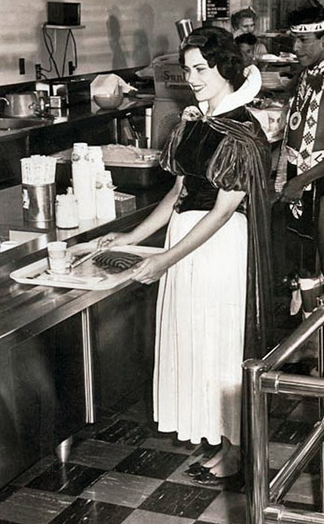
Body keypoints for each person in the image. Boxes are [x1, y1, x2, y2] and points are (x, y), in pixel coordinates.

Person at [98, 26, 273, 484]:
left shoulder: (242, 131)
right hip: (187, 241)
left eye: (201, 69)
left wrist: (165, 258)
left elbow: (220, 212)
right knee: (194, 340)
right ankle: (218, 439)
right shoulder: (196, 122)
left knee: (220, 344)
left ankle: (236, 450)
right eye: (188, 69)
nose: (192, 78)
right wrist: (133, 238)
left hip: (218, 249)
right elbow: (178, 193)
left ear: (225, 68)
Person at [274, 6, 324, 311]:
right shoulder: (304, 75)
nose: (295, 48)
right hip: (298, 179)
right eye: (294, 40)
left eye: (304, 41)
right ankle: (312, 341)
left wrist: (302, 180)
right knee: (305, 265)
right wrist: (287, 176)